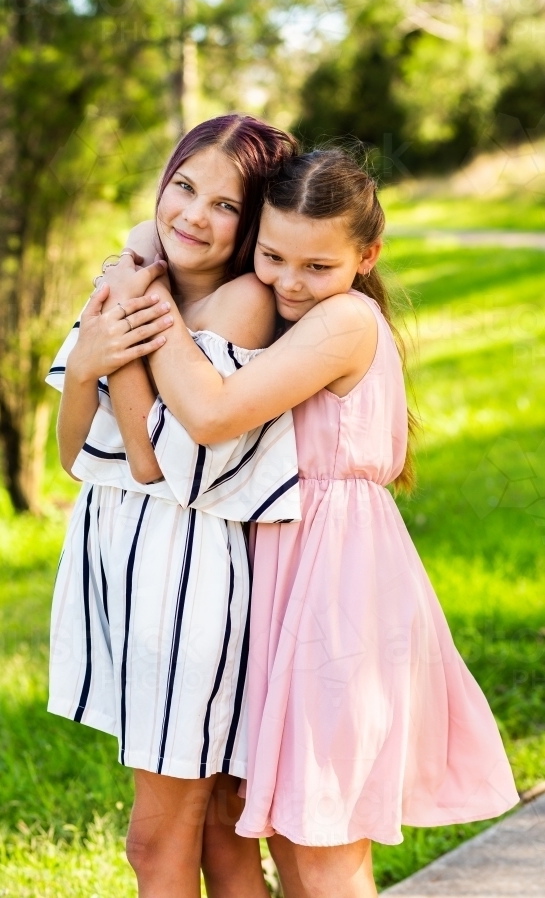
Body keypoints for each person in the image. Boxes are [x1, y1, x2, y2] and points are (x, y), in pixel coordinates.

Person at [102, 147, 520, 898]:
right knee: (274, 833)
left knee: (321, 849)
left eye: (315, 267)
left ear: (366, 257)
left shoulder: (346, 324)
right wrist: (144, 248)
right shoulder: (300, 309)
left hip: (335, 595)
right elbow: (152, 231)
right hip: (278, 578)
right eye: (272, 257)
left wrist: (146, 305)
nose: (289, 283)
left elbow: (211, 411)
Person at [46, 115, 301, 898]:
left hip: (181, 583)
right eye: (183, 186)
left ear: (254, 219)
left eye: (224, 205)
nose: (192, 214)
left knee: (154, 847)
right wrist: (92, 359)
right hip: (126, 570)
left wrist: (122, 320)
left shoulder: (240, 307)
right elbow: (70, 456)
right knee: (218, 840)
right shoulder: (133, 273)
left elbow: (162, 466)